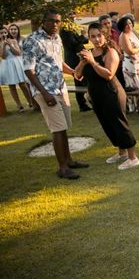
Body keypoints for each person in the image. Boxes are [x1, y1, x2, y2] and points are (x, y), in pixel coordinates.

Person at [23, 9, 89, 180]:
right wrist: (44, 93)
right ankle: (62, 168)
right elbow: (28, 70)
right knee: (58, 129)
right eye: (51, 21)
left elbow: (58, 63)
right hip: (46, 91)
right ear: (43, 21)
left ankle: (69, 160)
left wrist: (74, 71)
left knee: (64, 127)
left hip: (61, 88)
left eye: (57, 21)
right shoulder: (32, 40)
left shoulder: (57, 38)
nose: (55, 24)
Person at [75, 23, 139, 170]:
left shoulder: (110, 52)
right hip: (96, 95)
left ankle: (133, 157)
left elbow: (108, 74)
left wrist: (92, 62)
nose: (97, 39)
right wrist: (83, 62)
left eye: (99, 35)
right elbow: (77, 75)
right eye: (93, 36)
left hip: (112, 93)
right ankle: (121, 153)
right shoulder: (90, 52)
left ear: (105, 35)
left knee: (119, 123)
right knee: (108, 125)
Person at [59, 18, 92, 112]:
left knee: (83, 81)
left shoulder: (71, 28)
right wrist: (82, 35)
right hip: (74, 60)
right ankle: (82, 105)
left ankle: (85, 103)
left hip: (79, 58)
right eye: (70, 15)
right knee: (79, 82)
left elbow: (83, 41)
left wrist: (84, 36)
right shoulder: (64, 30)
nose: (73, 17)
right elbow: (72, 44)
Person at [0, 24, 34, 112]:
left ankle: (30, 102)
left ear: (7, 33)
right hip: (7, 64)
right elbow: (3, 56)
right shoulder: (0, 43)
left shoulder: (13, 40)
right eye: (1, 33)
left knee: (23, 84)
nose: (3, 34)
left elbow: (18, 53)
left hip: (16, 62)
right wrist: (3, 46)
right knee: (11, 85)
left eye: (5, 32)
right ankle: (19, 105)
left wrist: (10, 45)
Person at [118, 16, 139, 113]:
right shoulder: (123, 36)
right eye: (126, 24)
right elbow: (129, 51)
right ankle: (133, 107)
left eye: (130, 23)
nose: (129, 26)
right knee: (133, 84)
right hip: (130, 65)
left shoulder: (133, 33)